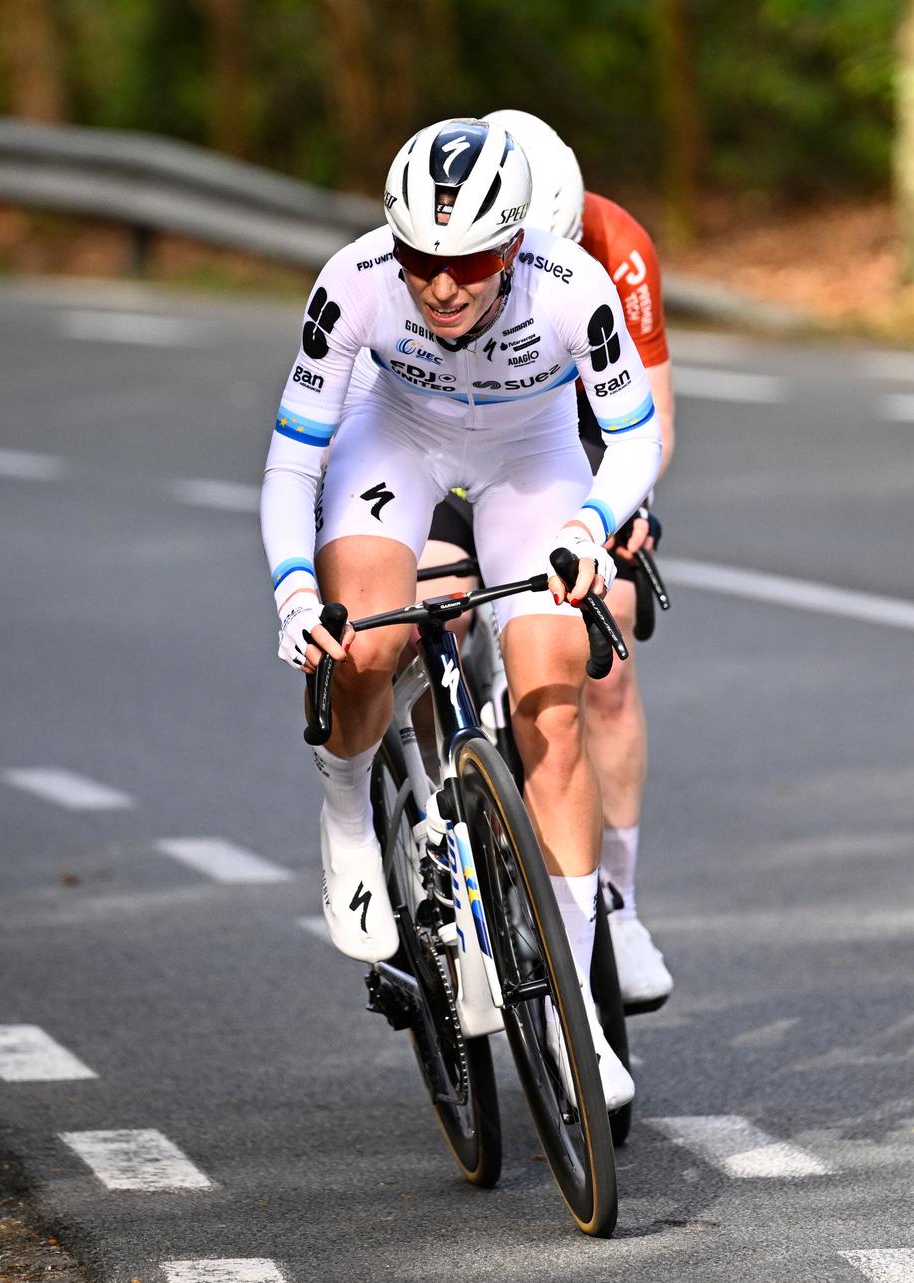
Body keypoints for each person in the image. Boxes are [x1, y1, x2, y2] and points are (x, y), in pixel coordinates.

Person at [261, 117, 662, 1108]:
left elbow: (631, 438)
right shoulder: (353, 281)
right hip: (397, 444)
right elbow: (295, 457)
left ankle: (573, 1016)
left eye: (472, 261)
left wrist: (592, 525)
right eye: (422, 259)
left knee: (555, 706)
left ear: (517, 243)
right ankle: (349, 814)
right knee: (372, 640)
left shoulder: (574, 290)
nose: (442, 285)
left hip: (532, 458)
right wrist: (292, 587)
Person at [417, 109, 676, 1011]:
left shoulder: (617, 243)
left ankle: (621, 899)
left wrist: (622, 510)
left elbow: (651, 413)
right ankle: (435, 818)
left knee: (609, 651)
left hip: (582, 442)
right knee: (431, 609)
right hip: (461, 435)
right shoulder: (438, 253)